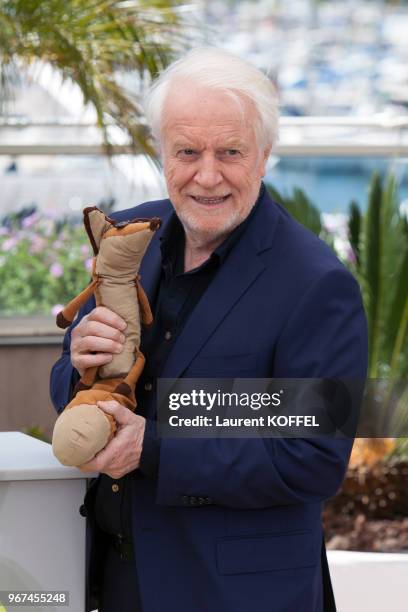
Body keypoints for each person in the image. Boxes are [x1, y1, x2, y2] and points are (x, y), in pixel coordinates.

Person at [50, 47, 368, 612]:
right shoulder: (128, 237)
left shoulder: (316, 283)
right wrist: (76, 361)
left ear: (265, 155)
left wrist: (152, 450)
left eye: (230, 152)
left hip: (237, 594)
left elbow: (312, 457)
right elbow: (72, 383)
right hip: (115, 580)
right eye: (187, 152)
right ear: (162, 153)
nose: (207, 175)